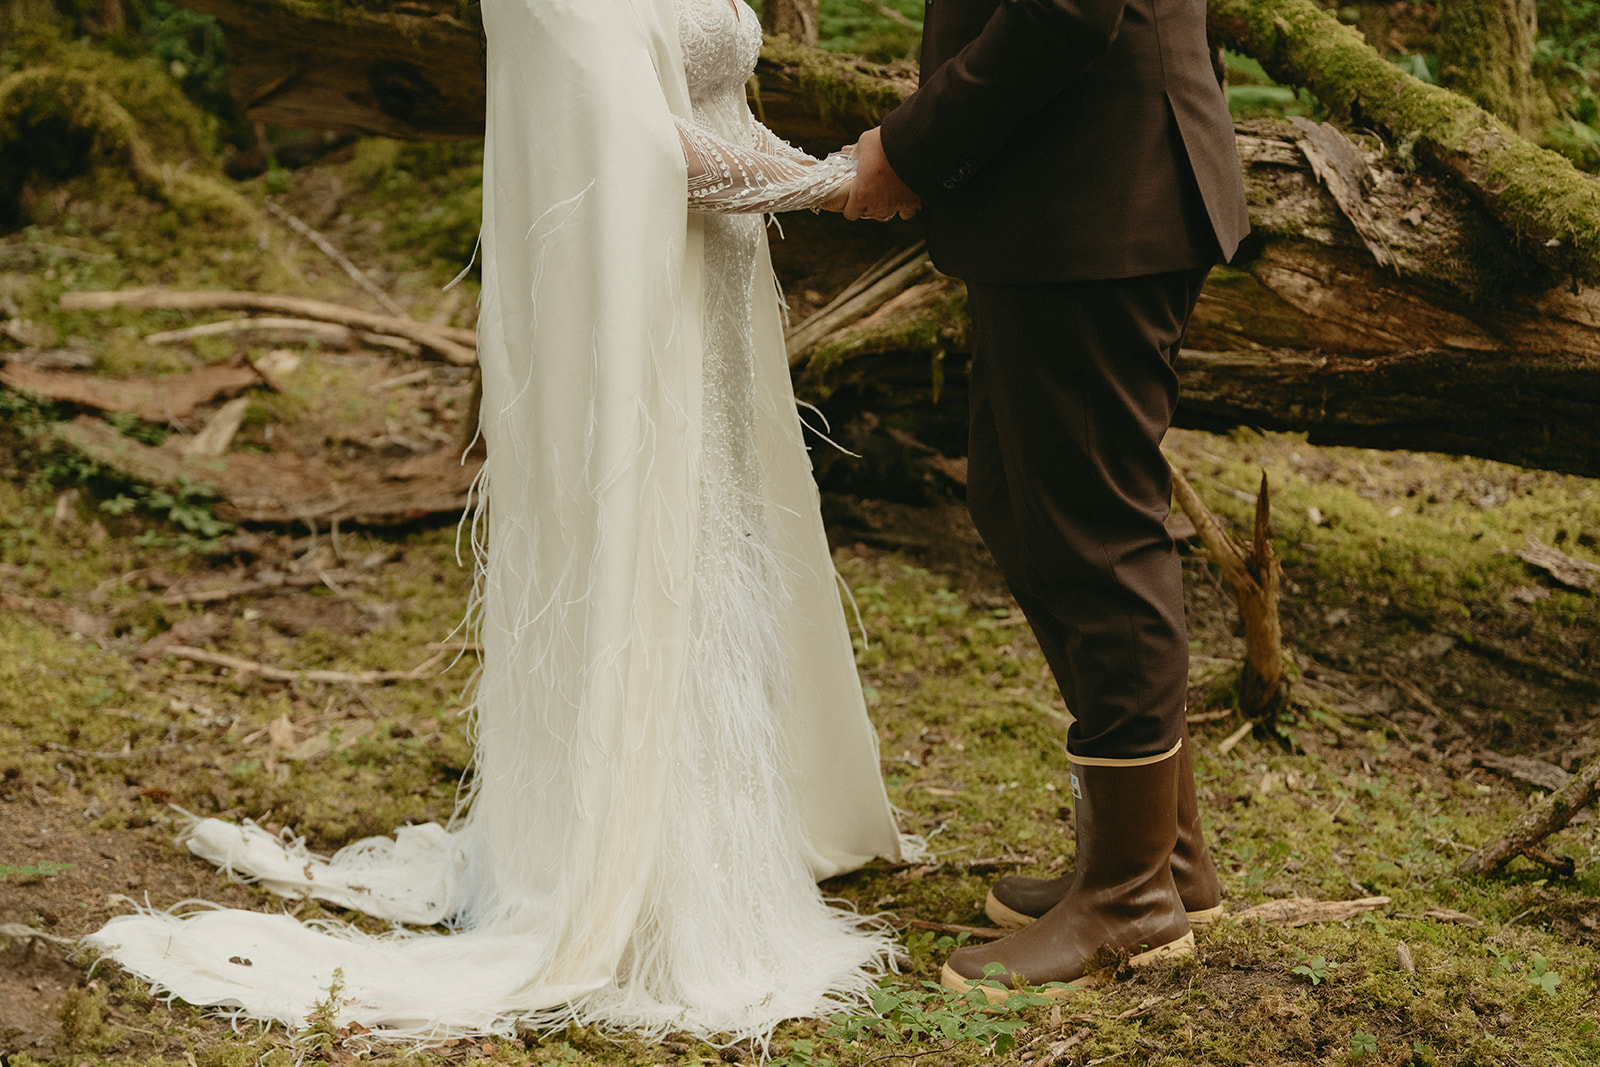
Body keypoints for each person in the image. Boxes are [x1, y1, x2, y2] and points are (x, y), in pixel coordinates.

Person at [86, 0, 917, 1043]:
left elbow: (720, 105)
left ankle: (728, 828)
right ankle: (640, 866)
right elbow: (639, 149)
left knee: (713, 552)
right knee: (652, 559)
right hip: (635, 313)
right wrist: (841, 181)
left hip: (710, 292)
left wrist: (845, 167)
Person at [843, 0, 1250, 996]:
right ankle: (1163, 854)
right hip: (1062, 191)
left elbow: (1068, 10)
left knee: (1091, 528)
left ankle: (1128, 900)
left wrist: (912, 145)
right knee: (1023, 503)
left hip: (1100, 190)